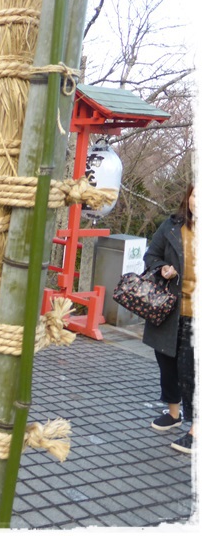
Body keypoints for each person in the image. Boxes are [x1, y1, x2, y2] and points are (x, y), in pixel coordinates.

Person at [144, 184, 195, 454]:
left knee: (192, 373)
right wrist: (161, 268)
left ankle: (195, 429)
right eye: (195, 195)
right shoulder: (172, 226)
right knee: (167, 365)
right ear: (187, 198)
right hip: (169, 310)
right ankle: (174, 414)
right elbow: (151, 255)